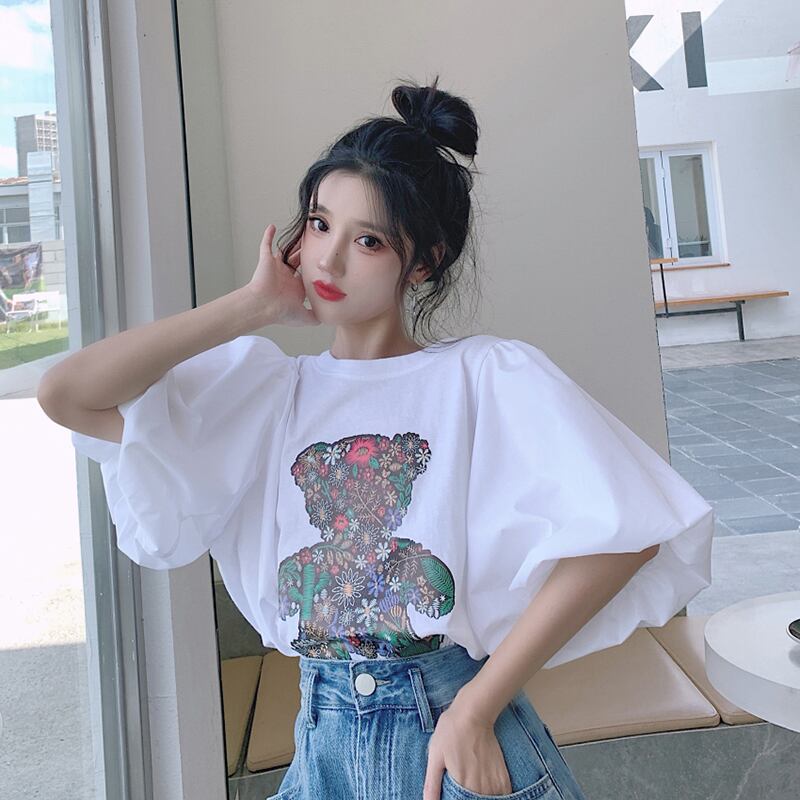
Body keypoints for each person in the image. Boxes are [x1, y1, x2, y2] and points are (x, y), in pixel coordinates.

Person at [39, 76, 714, 800]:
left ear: (423, 262)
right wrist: (251, 305)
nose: (327, 261)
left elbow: (628, 533)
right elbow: (68, 394)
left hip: (450, 740)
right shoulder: (267, 395)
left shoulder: (481, 377)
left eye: (367, 240)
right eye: (319, 224)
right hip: (322, 745)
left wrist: (475, 707)